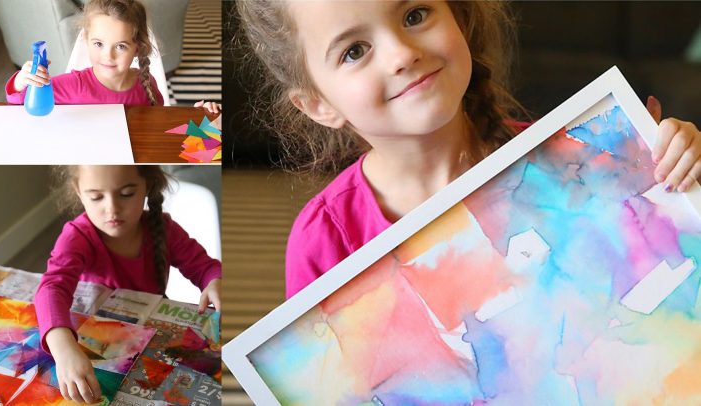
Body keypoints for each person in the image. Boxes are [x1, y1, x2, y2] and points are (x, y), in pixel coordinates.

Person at [236, 1, 701, 299]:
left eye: (415, 15)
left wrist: (684, 172)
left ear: (456, 16)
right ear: (317, 104)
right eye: (355, 51)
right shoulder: (325, 239)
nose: (401, 54)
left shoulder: (573, 158)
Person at [35, 165, 222, 404]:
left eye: (126, 193)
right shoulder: (77, 236)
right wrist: (62, 348)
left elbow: (205, 267)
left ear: (148, 186)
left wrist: (214, 281)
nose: (111, 208)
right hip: (100, 341)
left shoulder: (164, 229)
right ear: (79, 192)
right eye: (96, 197)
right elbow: (52, 287)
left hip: (151, 340)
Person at [5, 0, 218, 113]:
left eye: (121, 46)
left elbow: (159, 124)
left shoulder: (146, 83)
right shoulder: (73, 84)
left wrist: (197, 118)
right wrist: (22, 82)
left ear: (138, 48)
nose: (108, 55)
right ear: (86, 40)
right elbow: (19, 103)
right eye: (98, 44)